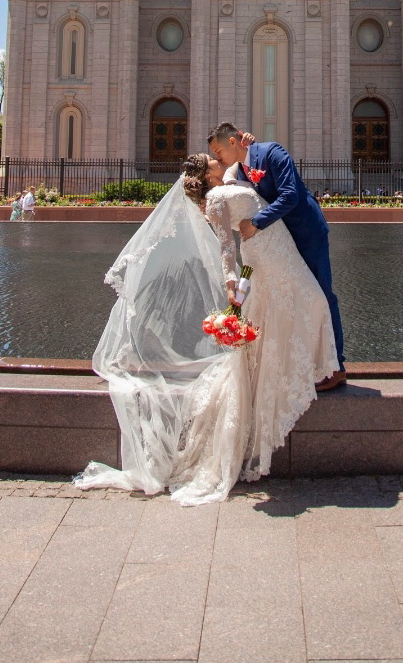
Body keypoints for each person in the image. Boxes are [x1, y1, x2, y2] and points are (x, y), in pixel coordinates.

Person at [74, 153, 338, 505]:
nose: (219, 158)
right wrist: (231, 282)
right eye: (212, 159)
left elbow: (245, 165)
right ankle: (301, 370)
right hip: (264, 253)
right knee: (309, 302)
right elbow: (226, 246)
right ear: (207, 175)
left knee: (297, 306)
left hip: (274, 247)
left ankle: (296, 367)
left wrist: (247, 146)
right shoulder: (215, 199)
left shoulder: (228, 181)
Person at [207, 122, 346, 390]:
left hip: (305, 232)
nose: (217, 157)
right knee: (298, 298)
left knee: (322, 295)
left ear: (232, 142)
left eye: (218, 150)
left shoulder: (273, 153)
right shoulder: (240, 168)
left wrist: (256, 222)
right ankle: (310, 362)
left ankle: (336, 367)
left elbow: (290, 195)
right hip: (280, 241)